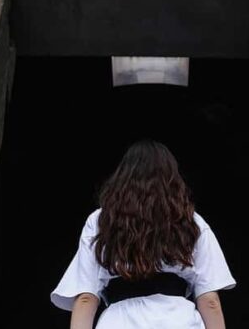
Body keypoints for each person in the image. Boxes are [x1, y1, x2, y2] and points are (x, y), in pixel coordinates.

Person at [50, 139, 236, 329]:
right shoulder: (192, 221)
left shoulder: (100, 221)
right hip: (179, 321)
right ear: (172, 179)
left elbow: (86, 298)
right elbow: (210, 300)